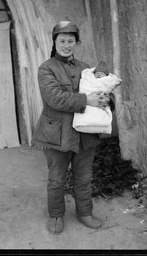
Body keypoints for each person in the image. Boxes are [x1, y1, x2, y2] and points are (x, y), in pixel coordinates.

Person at [31, 21, 111, 235]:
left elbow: (100, 90)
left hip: (85, 134)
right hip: (56, 133)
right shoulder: (46, 68)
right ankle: (56, 215)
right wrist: (88, 100)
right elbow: (55, 98)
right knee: (57, 179)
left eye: (71, 41)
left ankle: (84, 213)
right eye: (62, 41)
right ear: (55, 42)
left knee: (84, 177)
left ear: (76, 42)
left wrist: (104, 97)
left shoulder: (85, 68)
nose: (66, 45)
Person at [73, 60, 122, 134]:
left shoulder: (83, 66)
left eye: (102, 74)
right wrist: (86, 100)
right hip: (71, 120)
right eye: (97, 73)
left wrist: (109, 100)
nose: (99, 75)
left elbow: (110, 90)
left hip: (91, 137)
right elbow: (55, 98)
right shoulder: (87, 77)